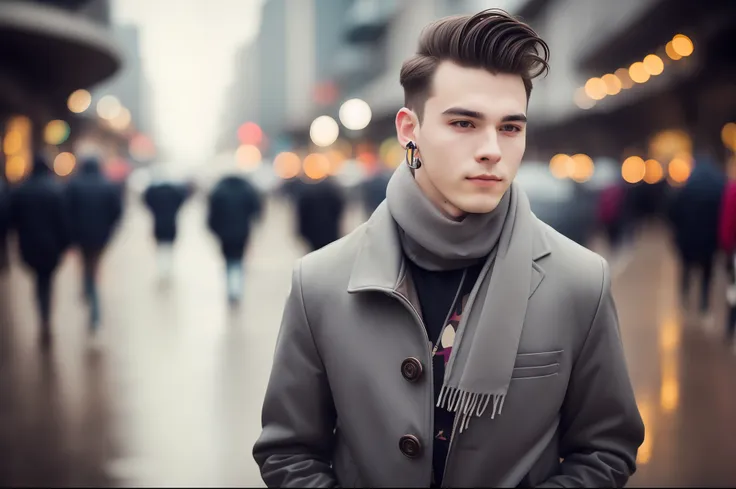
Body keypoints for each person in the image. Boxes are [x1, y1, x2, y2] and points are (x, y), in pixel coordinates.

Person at [253, 9, 644, 488]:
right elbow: (288, 450)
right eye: (463, 123)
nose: (492, 150)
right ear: (408, 130)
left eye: (510, 127)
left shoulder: (580, 280)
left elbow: (606, 449)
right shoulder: (320, 282)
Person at [9, 154, 71, 346]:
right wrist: (64, 245)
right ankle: (46, 317)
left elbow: (12, 220)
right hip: (51, 246)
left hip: (29, 245)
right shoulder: (56, 190)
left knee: (39, 281)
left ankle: (42, 316)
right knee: (47, 281)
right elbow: (64, 222)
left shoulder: (21, 191)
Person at [65, 156, 124, 333]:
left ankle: (91, 302)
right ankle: (91, 300)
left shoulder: (74, 185)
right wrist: (108, 231)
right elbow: (117, 212)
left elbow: (66, 211)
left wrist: (71, 234)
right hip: (100, 238)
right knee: (93, 268)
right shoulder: (108, 185)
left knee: (87, 267)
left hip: (81, 237)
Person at [207, 173, 262, 306]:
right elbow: (256, 210)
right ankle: (236, 289)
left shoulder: (219, 192)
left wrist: (215, 230)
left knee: (229, 261)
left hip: (224, 234)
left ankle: (232, 290)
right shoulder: (246, 191)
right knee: (238, 260)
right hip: (242, 232)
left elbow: (212, 216)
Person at [143, 169, 191, 282]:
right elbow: (183, 198)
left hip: (158, 224)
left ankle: (162, 270)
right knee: (169, 248)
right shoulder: (175, 193)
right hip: (171, 224)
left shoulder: (153, 193)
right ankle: (167, 269)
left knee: (160, 248)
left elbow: (145, 199)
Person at [294, 175, 345, 252]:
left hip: (312, 233)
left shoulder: (306, 192)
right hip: (330, 232)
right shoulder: (332, 190)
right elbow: (339, 209)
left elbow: (302, 215)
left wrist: (301, 232)